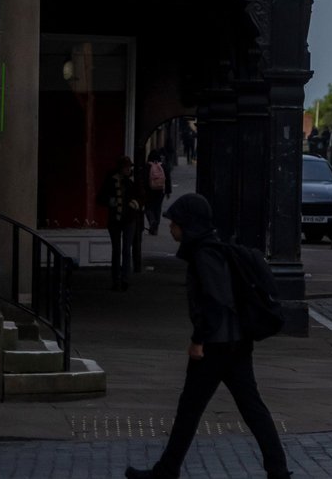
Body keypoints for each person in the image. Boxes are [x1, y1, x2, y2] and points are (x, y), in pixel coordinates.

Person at [125, 193, 289, 479]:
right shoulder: (213, 249)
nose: (171, 227)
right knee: (251, 408)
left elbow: (215, 300)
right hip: (236, 343)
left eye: (175, 222)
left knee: (191, 409)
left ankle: (167, 471)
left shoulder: (204, 254)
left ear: (189, 225)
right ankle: (278, 471)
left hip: (216, 346)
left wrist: (198, 340)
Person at [97, 156, 143, 289]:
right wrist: (110, 201)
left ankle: (125, 279)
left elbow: (142, 196)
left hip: (129, 219)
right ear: (121, 168)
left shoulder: (133, 180)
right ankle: (116, 279)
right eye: (126, 167)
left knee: (126, 249)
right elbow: (100, 198)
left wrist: (135, 203)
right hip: (115, 220)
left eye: (129, 167)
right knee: (116, 250)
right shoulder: (111, 180)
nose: (128, 169)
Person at [144, 148, 171, 236]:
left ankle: (152, 221)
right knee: (157, 208)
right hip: (160, 191)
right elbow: (168, 179)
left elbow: (143, 179)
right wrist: (168, 191)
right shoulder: (162, 166)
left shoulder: (147, 166)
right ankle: (155, 229)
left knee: (148, 207)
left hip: (149, 190)